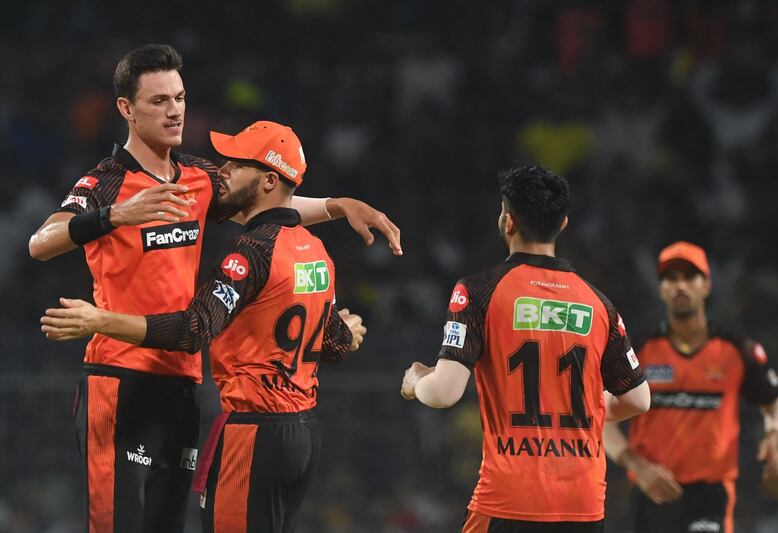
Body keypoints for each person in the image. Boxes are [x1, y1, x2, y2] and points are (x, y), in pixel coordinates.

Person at [28, 44, 400, 532]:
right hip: (119, 380)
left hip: (183, 380)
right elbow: (41, 243)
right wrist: (118, 215)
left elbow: (271, 199)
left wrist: (338, 204)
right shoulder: (106, 181)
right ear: (126, 109)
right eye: (159, 100)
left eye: (179, 97)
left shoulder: (198, 177)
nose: (175, 109)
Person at [401, 165, 650, 533]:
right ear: (562, 225)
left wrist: (416, 380)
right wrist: (586, 408)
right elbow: (638, 400)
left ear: (507, 220)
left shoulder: (478, 292)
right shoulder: (599, 305)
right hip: (582, 503)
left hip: (511, 498)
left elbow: (445, 393)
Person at [603, 241, 778, 533]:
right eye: (670, 278)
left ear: (706, 285)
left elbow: (776, 403)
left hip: (710, 497)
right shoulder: (638, 349)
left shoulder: (736, 351)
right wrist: (637, 466)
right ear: (661, 289)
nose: (680, 285)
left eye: (689, 276)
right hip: (652, 491)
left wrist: (774, 436)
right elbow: (601, 414)